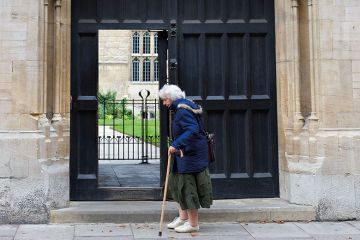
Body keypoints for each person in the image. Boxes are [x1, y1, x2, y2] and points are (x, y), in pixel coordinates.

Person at [158, 84, 213, 233]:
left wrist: (176, 144)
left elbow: (192, 129)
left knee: (189, 189)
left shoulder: (182, 111)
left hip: (190, 155)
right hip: (184, 154)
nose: (164, 103)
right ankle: (183, 218)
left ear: (172, 98)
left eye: (165, 100)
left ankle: (193, 224)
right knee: (178, 185)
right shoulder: (181, 108)